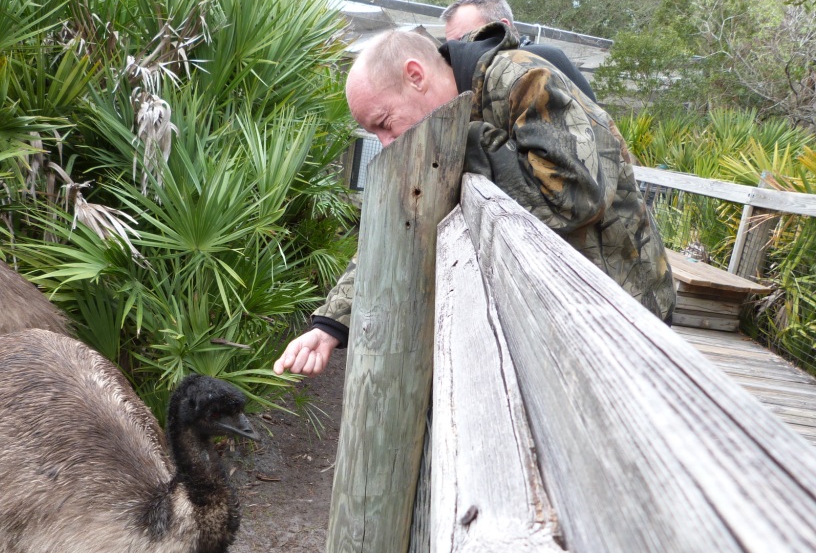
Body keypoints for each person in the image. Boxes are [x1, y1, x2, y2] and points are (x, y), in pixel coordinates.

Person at [274, 26, 675, 377]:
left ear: (415, 75)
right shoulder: (431, 131)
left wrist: (467, 142)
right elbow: (396, 227)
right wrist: (331, 325)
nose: (386, 143)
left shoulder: (523, 79)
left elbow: (575, 198)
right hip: (561, 316)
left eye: (384, 123)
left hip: (625, 312)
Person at [443, 0, 597, 102]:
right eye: (452, 48)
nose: (458, 54)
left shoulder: (537, 60)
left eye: (465, 40)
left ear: (502, 28)